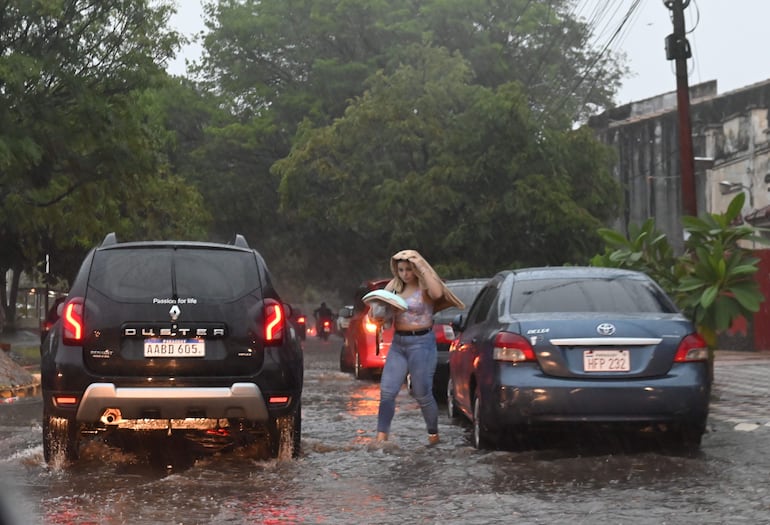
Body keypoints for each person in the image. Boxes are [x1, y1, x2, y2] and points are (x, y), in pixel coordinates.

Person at [376, 249, 464, 446]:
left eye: (409, 269)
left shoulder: (426, 287)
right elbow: (379, 308)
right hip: (399, 344)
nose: (405, 274)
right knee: (387, 392)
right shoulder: (394, 287)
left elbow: (438, 293)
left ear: (416, 269)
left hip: (422, 343)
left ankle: (433, 435)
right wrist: (380, 313)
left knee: (422, 393)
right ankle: (381, 438)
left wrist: (422, 267)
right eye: (401, 270)